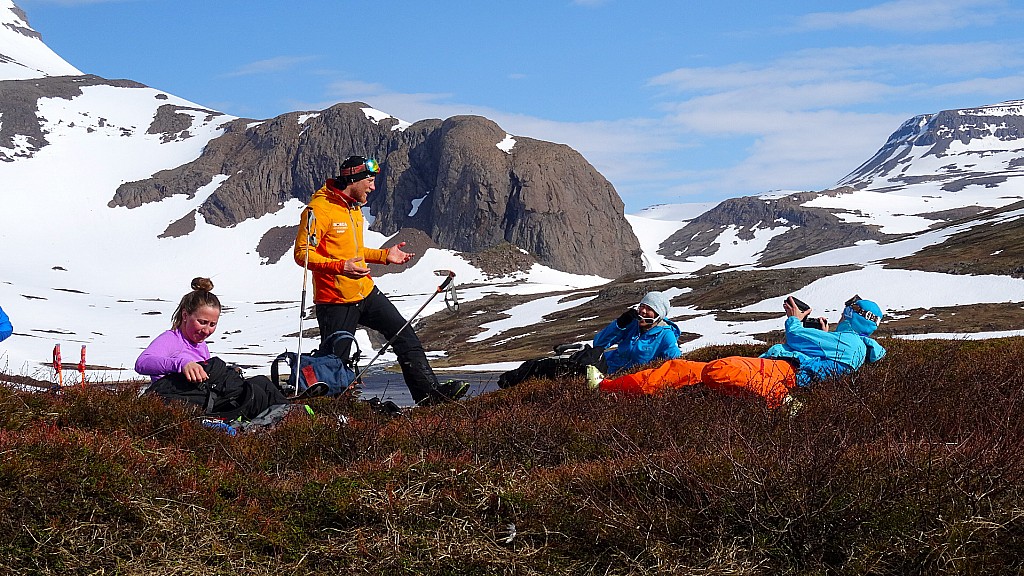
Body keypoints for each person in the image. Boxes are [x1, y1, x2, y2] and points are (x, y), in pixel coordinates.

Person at [294, 155, 468, 406]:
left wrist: (385, 256)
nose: (373, 187)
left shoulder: (353, 208)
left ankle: (430, 397)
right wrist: (341, 267)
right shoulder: (319, 210)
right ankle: (332, 414)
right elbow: (303, 254)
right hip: (335, 300)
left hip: (365, 292)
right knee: (334, 363)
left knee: (404, 335)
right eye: (369, 180)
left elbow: (353, 250)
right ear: (353, 179)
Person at [587, 295, 887, 410]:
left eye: (849, 308)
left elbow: (794, 336)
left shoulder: (849, 342)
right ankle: (608, 387)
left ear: (854, 314)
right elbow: (822, 355)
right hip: (775, 366)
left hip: (785, 371)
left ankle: (780, 400)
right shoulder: (850, 344)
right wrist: (821, 336)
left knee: (719, 369)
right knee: (679, 367)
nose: (845, 310)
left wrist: (795, 316)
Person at [136, 277, 290, 419]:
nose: (207, 330)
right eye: (202, 322)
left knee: (260, 384)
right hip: (179, 401)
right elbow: (142, 363)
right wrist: (182, 364)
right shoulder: (171, 339)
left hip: (206, 398)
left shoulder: (201, 345)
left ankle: (294, 418)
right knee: (257, 391)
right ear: (185, 315)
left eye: (212, 324)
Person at [497, 291, 682, 388]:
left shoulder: (665, 335)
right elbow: (600, 343)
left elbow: (677, 363)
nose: (642, 311)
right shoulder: (633, 324)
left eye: (649, 308)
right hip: (601, 364)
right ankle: (506, 382)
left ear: (659, 314)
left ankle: (509, 386)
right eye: (642, 306)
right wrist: (620, 323)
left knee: (562, 373)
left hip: (614, 376)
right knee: (545, 365)